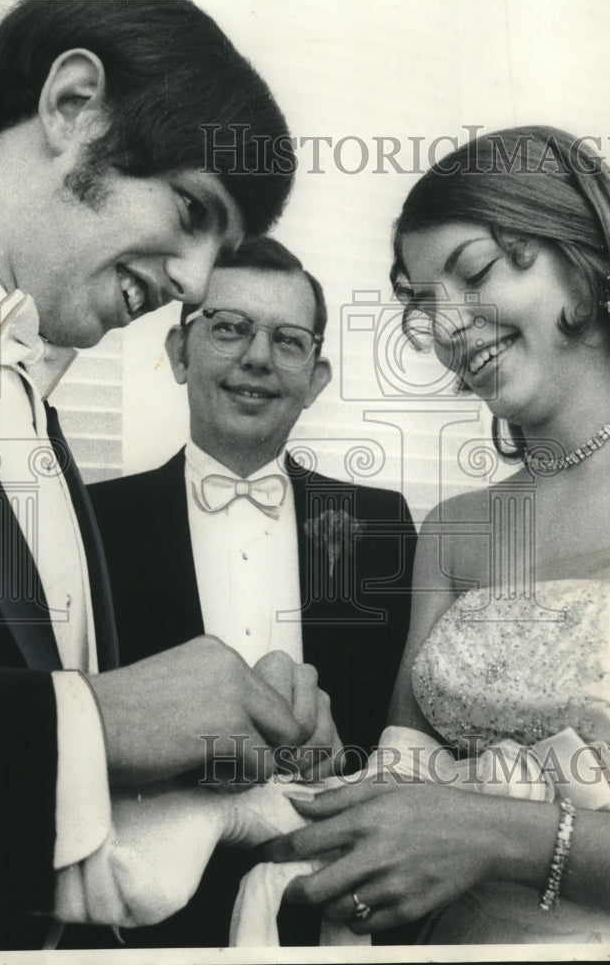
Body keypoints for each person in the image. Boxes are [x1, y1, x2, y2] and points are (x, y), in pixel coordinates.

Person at [0, 0, 339, 952]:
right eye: (192, 211)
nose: (194, 286)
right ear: (74, 104)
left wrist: (200, 790)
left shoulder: (34, 407)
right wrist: (100, 719)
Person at [263, 126, 610, 944]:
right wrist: (294, 769)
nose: (448, 325)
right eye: (424, 304)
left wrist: (507, 837)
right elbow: (402, 803)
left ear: (588, 257)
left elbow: (458, 827)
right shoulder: (456, 530)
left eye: (477, 271)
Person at [86, 236, 417, 946]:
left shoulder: (380, 524)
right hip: (139, 921)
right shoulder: (92, 522)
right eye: (229, 327)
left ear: (317, 376)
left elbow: (401, 737)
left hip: (325, 903)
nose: (258, 358)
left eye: (288, 340)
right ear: (179, 353)